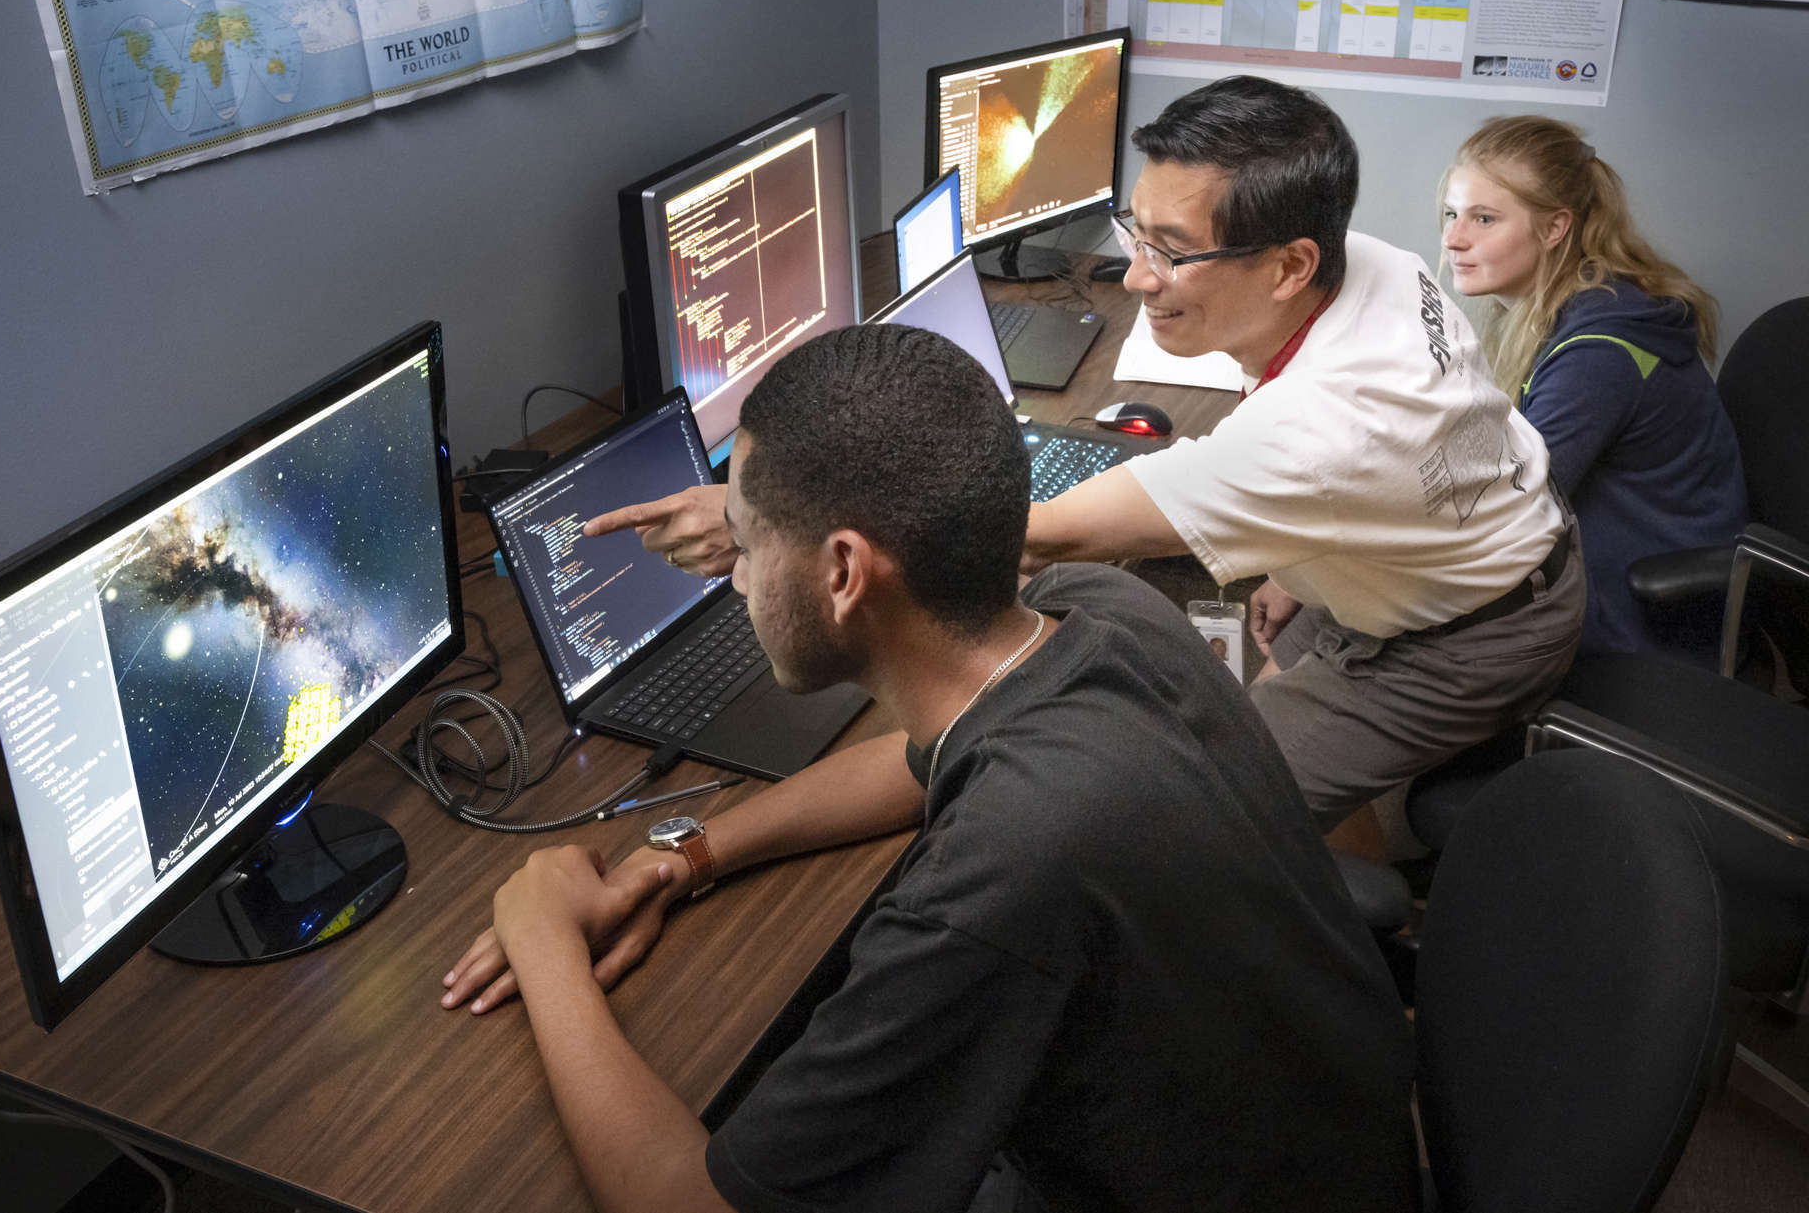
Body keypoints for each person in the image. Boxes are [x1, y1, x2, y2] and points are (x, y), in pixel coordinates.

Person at [443, 324, 1418, 1213]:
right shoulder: (1108, 614)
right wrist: (688, 851)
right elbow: (918, 766)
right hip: (1329, 1136)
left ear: (841, 571)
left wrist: (545, 942)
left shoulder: (1000, 871)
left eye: (743, 544)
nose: (735, 575)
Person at [1018, 75, 1585, 830]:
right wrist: (1302, 547)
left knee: (1212, 812)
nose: (1135, 275)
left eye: (1172, 251)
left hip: (1476, 634)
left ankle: (1348, 914)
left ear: (1290, 266)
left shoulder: (1320, 433)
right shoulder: (1372, 260)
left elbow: (1050, 533)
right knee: (1262, 676)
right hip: (1477, 537)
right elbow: (1363, 463)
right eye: (1137, 231)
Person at [1440, 115, 1746, 661]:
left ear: (1555, 228)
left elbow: (1503, 509)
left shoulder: (1600, 351)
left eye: (1483, 219)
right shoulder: (1562, 311)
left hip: (1635, 614)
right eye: (1452, 214)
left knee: (1385, 630)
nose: (1454, 238)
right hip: (1591, 568)